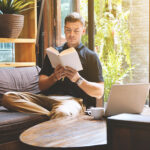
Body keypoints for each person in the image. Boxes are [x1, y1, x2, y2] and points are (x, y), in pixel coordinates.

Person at [1, 12, 104, 118]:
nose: (71, 34)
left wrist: (78, 79)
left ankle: (54, 115)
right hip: (45, 98)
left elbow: (99, 92)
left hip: (72, 101)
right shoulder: (54, 52)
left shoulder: (91, 57)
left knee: (62, 112)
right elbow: (41, 86)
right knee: (8, 97)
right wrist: (54, 76)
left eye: (76, 31)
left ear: (83, 31)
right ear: (64, 29)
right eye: (68, 30)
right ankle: (49, 115)